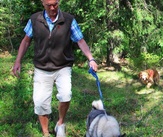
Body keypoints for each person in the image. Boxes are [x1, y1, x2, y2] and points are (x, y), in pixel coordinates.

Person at [11, 0, 98, 136]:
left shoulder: (68, 20)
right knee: (40, 103)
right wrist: (18, 61)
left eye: (55, 4)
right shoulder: (35, 20)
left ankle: (60, 123)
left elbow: (80, 40)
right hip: (41, 67)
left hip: (63, 66)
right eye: (49, 5)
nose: (53, 8)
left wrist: (91, 58)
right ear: (43, 4)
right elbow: (26, 40)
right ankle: (46, 133)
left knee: (65, 95)